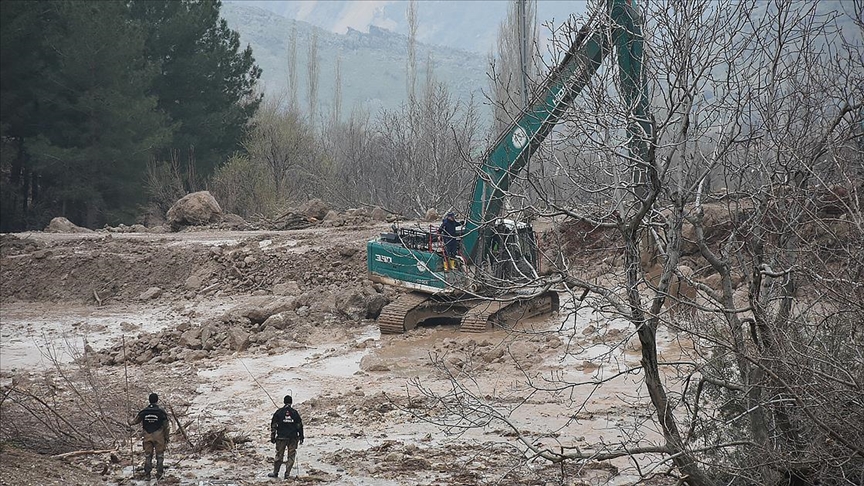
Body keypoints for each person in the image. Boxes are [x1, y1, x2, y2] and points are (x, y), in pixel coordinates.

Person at [130, 393, 170, 480]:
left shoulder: (144, 412)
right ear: (157, 400)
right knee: (159, 455)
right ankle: (159, 474)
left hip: (147, 435)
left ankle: (147, 475)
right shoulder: (161, 412)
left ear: (149, 400)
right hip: (159, 436)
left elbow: (134, 422)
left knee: (148, 455)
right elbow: (166, 426)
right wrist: (167, 437)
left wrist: (129, 421)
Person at [269, 395, 304, 479]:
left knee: (279, 455)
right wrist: (301, 436)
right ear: (291, 402)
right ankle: (287, 474)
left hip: (281, 438)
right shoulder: (295, 413)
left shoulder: (278, 412)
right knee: (291, 456)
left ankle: (275, 473)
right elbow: (299, 425)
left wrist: (273, 436)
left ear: (284, 402)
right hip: (293, 438)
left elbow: (273, 425)